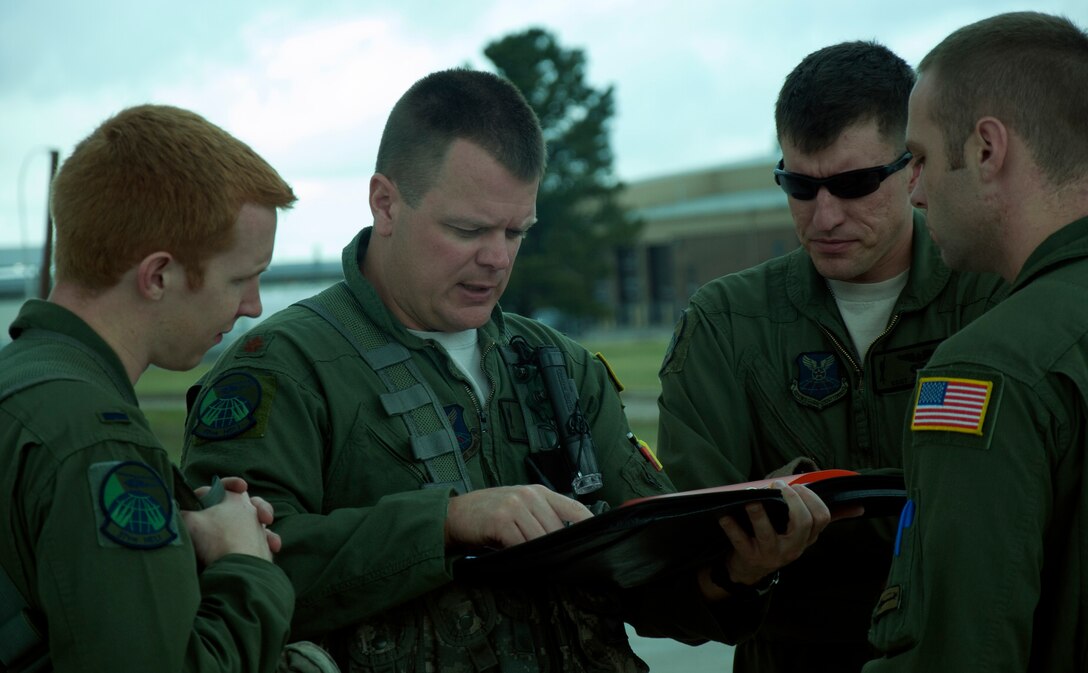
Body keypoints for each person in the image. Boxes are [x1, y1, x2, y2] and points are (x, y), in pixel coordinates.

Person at [180, 68, 839, 672]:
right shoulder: (282, 372)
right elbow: (236, 575)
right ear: (385, 203)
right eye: (468, 229)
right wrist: (446, 520)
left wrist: (734, 568)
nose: (497, 258)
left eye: (515, 231)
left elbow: (648, 579)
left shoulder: (561, 368)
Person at [656, 41, 1008, 672]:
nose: (824, 217)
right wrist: (743, 565)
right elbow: (679, 576)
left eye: (852, 185)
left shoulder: (995, 294)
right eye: (799, 185)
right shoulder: (727, 322)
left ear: (913, 169)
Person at [0, 104, 298, 672]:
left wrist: (183, 534)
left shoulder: (23, 386)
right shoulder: (97, 442)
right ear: (158, 275)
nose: (254, 306)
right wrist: (246, 565)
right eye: (240, 278)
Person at [865, 12, 1088, 671]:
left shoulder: (984, 371)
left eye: (923, 156)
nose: (914, 188)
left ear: (988, 149)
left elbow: (961, 652)